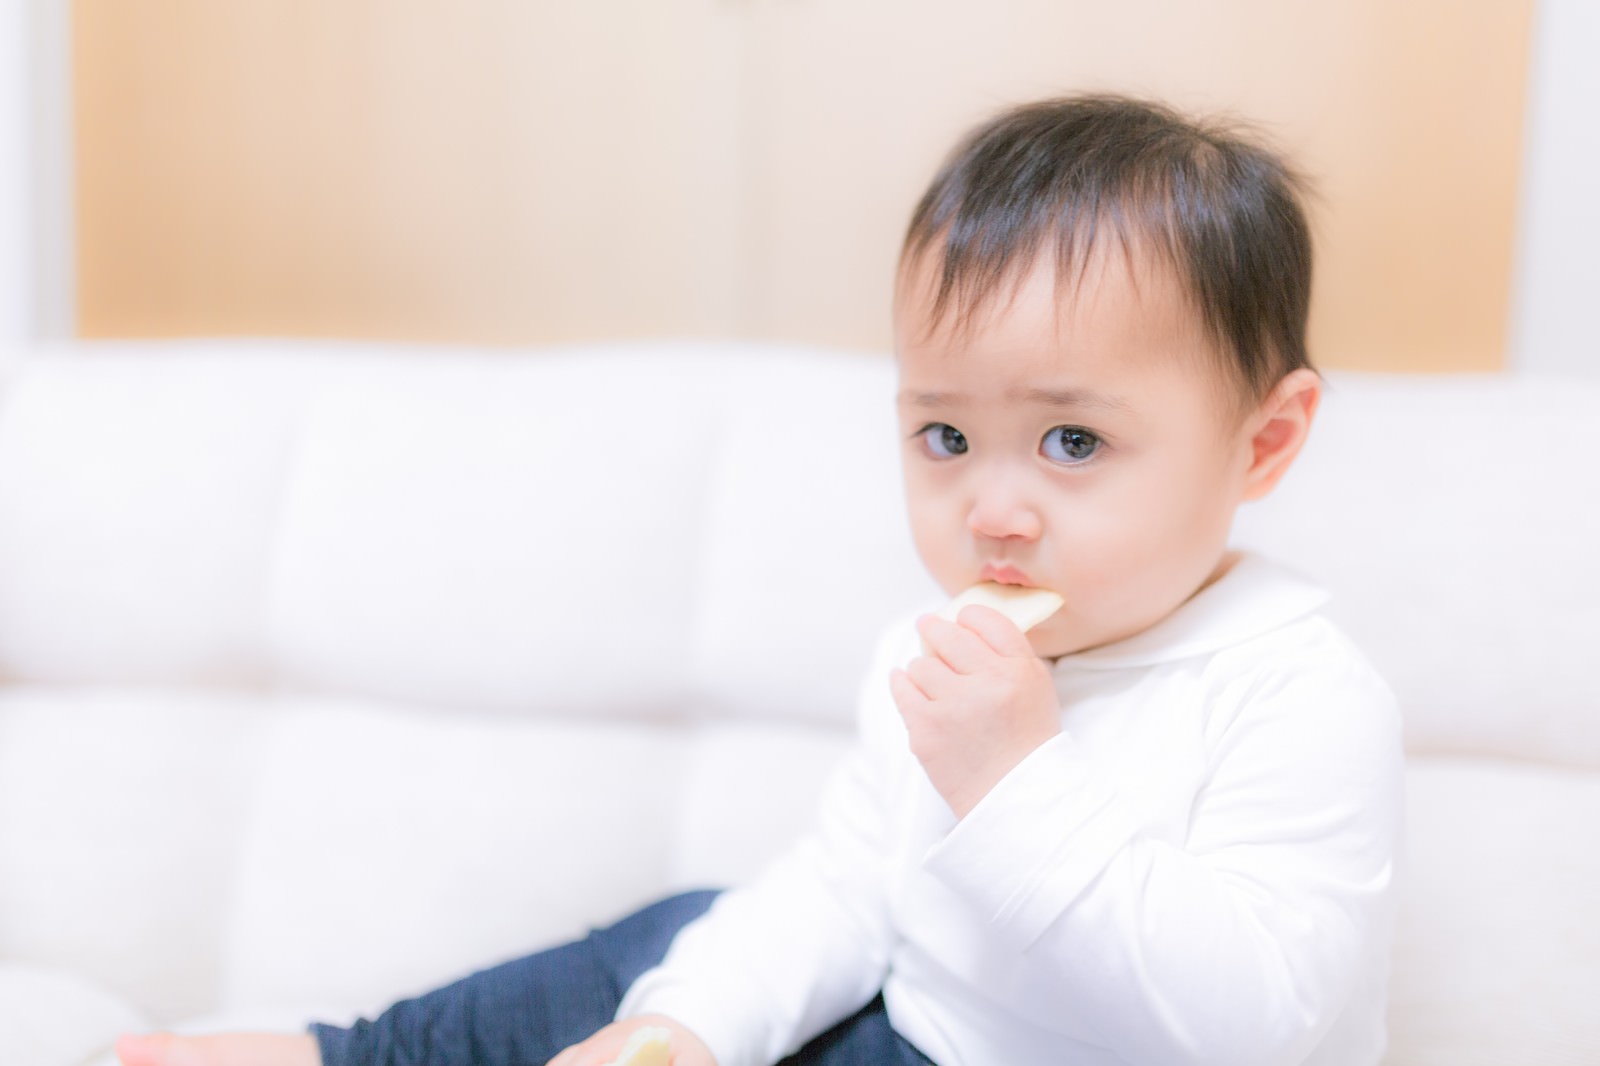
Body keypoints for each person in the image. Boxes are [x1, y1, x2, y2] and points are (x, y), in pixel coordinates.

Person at [116, 93, 1403, 1066]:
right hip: (909, 1016)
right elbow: (852, 888)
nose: (990, 506)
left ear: (1265, 441)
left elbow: (1250, 1023)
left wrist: (1015, 780)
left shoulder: (1293, 694)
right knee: (691, 934)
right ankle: (353, 1050)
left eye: (1073, 441)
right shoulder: (941, 646)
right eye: (944, 436)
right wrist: (689, 1026)